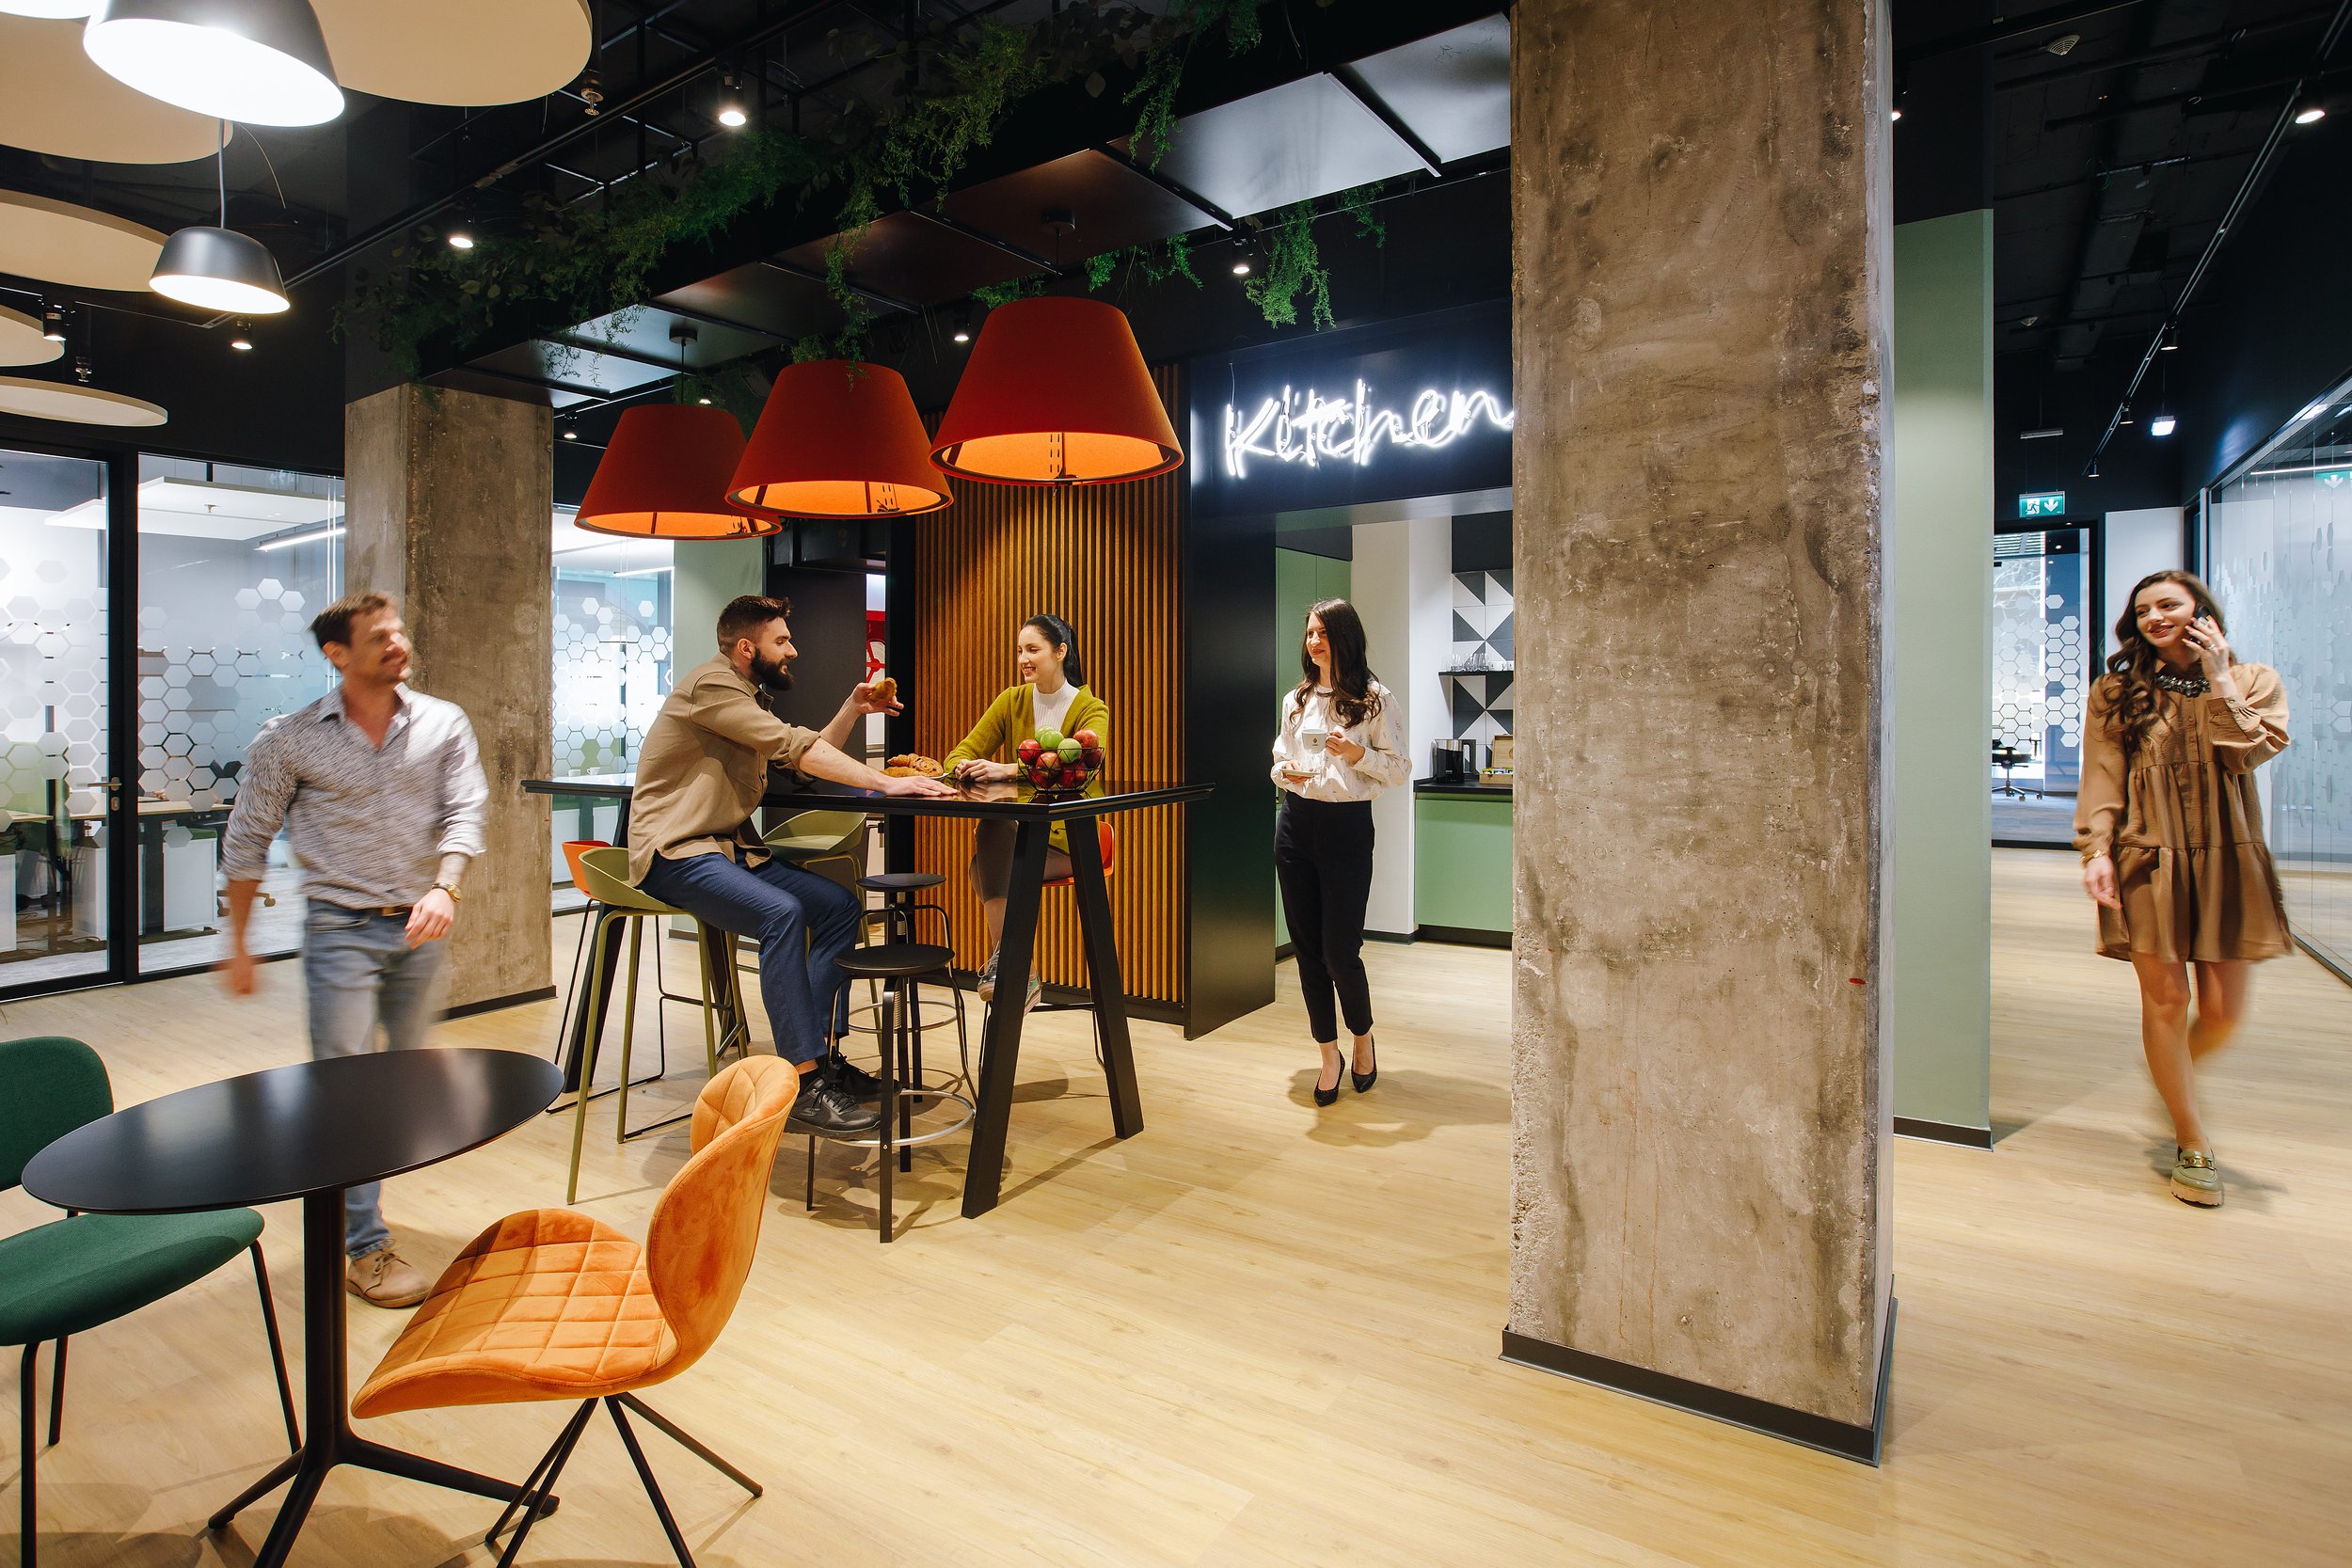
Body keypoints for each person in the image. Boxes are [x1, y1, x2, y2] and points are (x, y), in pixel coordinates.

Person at [218, 590, 487, 1308]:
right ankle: (363, 1246)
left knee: (400, 1079)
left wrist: (446, 887)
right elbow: (245, 842)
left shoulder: (442, 723)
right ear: (338, 653)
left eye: (400, 630)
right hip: (339, 927)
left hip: (420, 928)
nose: (397, 643)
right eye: (379, 635)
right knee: (348, 1086)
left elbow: (465, 811)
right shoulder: (291, 738)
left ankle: (350, 1194)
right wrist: (238, 943)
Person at [629, 594, 956, 1137]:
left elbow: (801, 758)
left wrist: (851, 708)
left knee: (836, 908)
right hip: (676, 851)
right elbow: (794, 746)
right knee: (781, 913)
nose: (793, 650)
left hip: (729, 850)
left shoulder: (744, 696)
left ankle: (823, 1058)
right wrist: (887, 781)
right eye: (781, 640)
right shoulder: (711, 687)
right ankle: (803, 1083)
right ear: (744, 647)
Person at [2074, 570, 2291, 1209]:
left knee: (2222, 1011)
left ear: (2201, 610)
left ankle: (2174, 1076)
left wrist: (2220, 676)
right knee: (2165, 1003)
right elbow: (2103, 775)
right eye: (2143, 610)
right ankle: (2191, 1137)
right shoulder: (2116, 691)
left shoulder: (2254, 681)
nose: (2154, 617)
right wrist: (2096, 848)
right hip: (2150, 856)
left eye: (2168, 605)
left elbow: (2247, 753)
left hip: (2229, 858)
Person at [1271, 598, 1408, 1106]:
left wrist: (1357, 754)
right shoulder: (1297, 699)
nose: (1314, 642)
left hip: (1347, 829)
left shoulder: (1373, 700)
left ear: (1345, 637)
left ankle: (1363, 1036)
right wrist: (1284, 773)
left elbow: (1398, 769)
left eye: (1323, 633)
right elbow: (1280, 757)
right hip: (1295, 825)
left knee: (1339, 953)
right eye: (1310, 633)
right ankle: (1328, 1054)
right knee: (1307, 952)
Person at [944, 613, 1109, 1011]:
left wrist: (1006, 769)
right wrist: (966, 767)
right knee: (993, 829)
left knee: (981, 868)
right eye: (1020, 650)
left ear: (1060, 651)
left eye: (1033, 649)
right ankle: (1021, 969)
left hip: (1071, 839)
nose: (1023, 658)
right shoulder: (1011, 700)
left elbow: (1080, 769)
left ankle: (1015, 966)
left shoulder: (1090, 708)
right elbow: (958, 754)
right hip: (1020, 833)